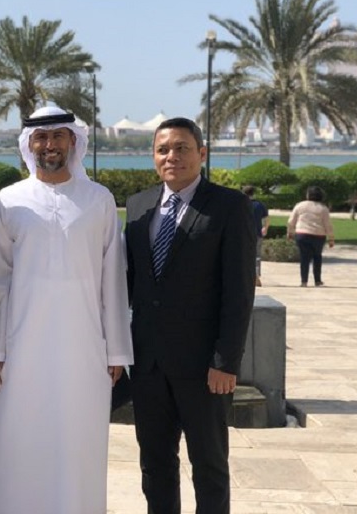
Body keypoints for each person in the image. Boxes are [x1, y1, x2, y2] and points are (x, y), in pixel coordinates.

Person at [0, 106, 134, 514]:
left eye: (57, 136)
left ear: (73, 141)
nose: (49, 145)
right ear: (29, 145)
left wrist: (116, 351)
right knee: (19, 438)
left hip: (84, 347)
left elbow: (112, 280)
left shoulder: (99, 200)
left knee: (78, 441)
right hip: (21, 345)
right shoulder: (9, 200)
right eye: (40, 138)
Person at [124, 117, 255, 513]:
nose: (172, 156)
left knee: (209, 467)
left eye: (181, 148)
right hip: (148, 366)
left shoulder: (230, 207)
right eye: (163, 149)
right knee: (155, 464)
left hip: (204, 369)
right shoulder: (139, 206)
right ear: (153, 157)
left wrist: (225, 361)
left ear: (202, 153)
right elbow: (129, 285)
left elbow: (239, 292)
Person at [287, 185, 335, 287]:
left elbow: (291, 221)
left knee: (304, 258)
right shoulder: (323, 208)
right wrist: (331, 238)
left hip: (302, 234)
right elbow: (328, 224)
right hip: (318, 235)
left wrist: (290, 232)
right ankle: (317, 280)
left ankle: (304, 281)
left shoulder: (300, 205)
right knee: (317, 257)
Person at [243, 185, 270, 286]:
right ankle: (256, 276)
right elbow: (267, 219)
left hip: (243, 234)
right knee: (257, 256)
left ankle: (247, 276)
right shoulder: (259, 205)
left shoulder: (241, 204)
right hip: (257, 233)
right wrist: (265, 228)